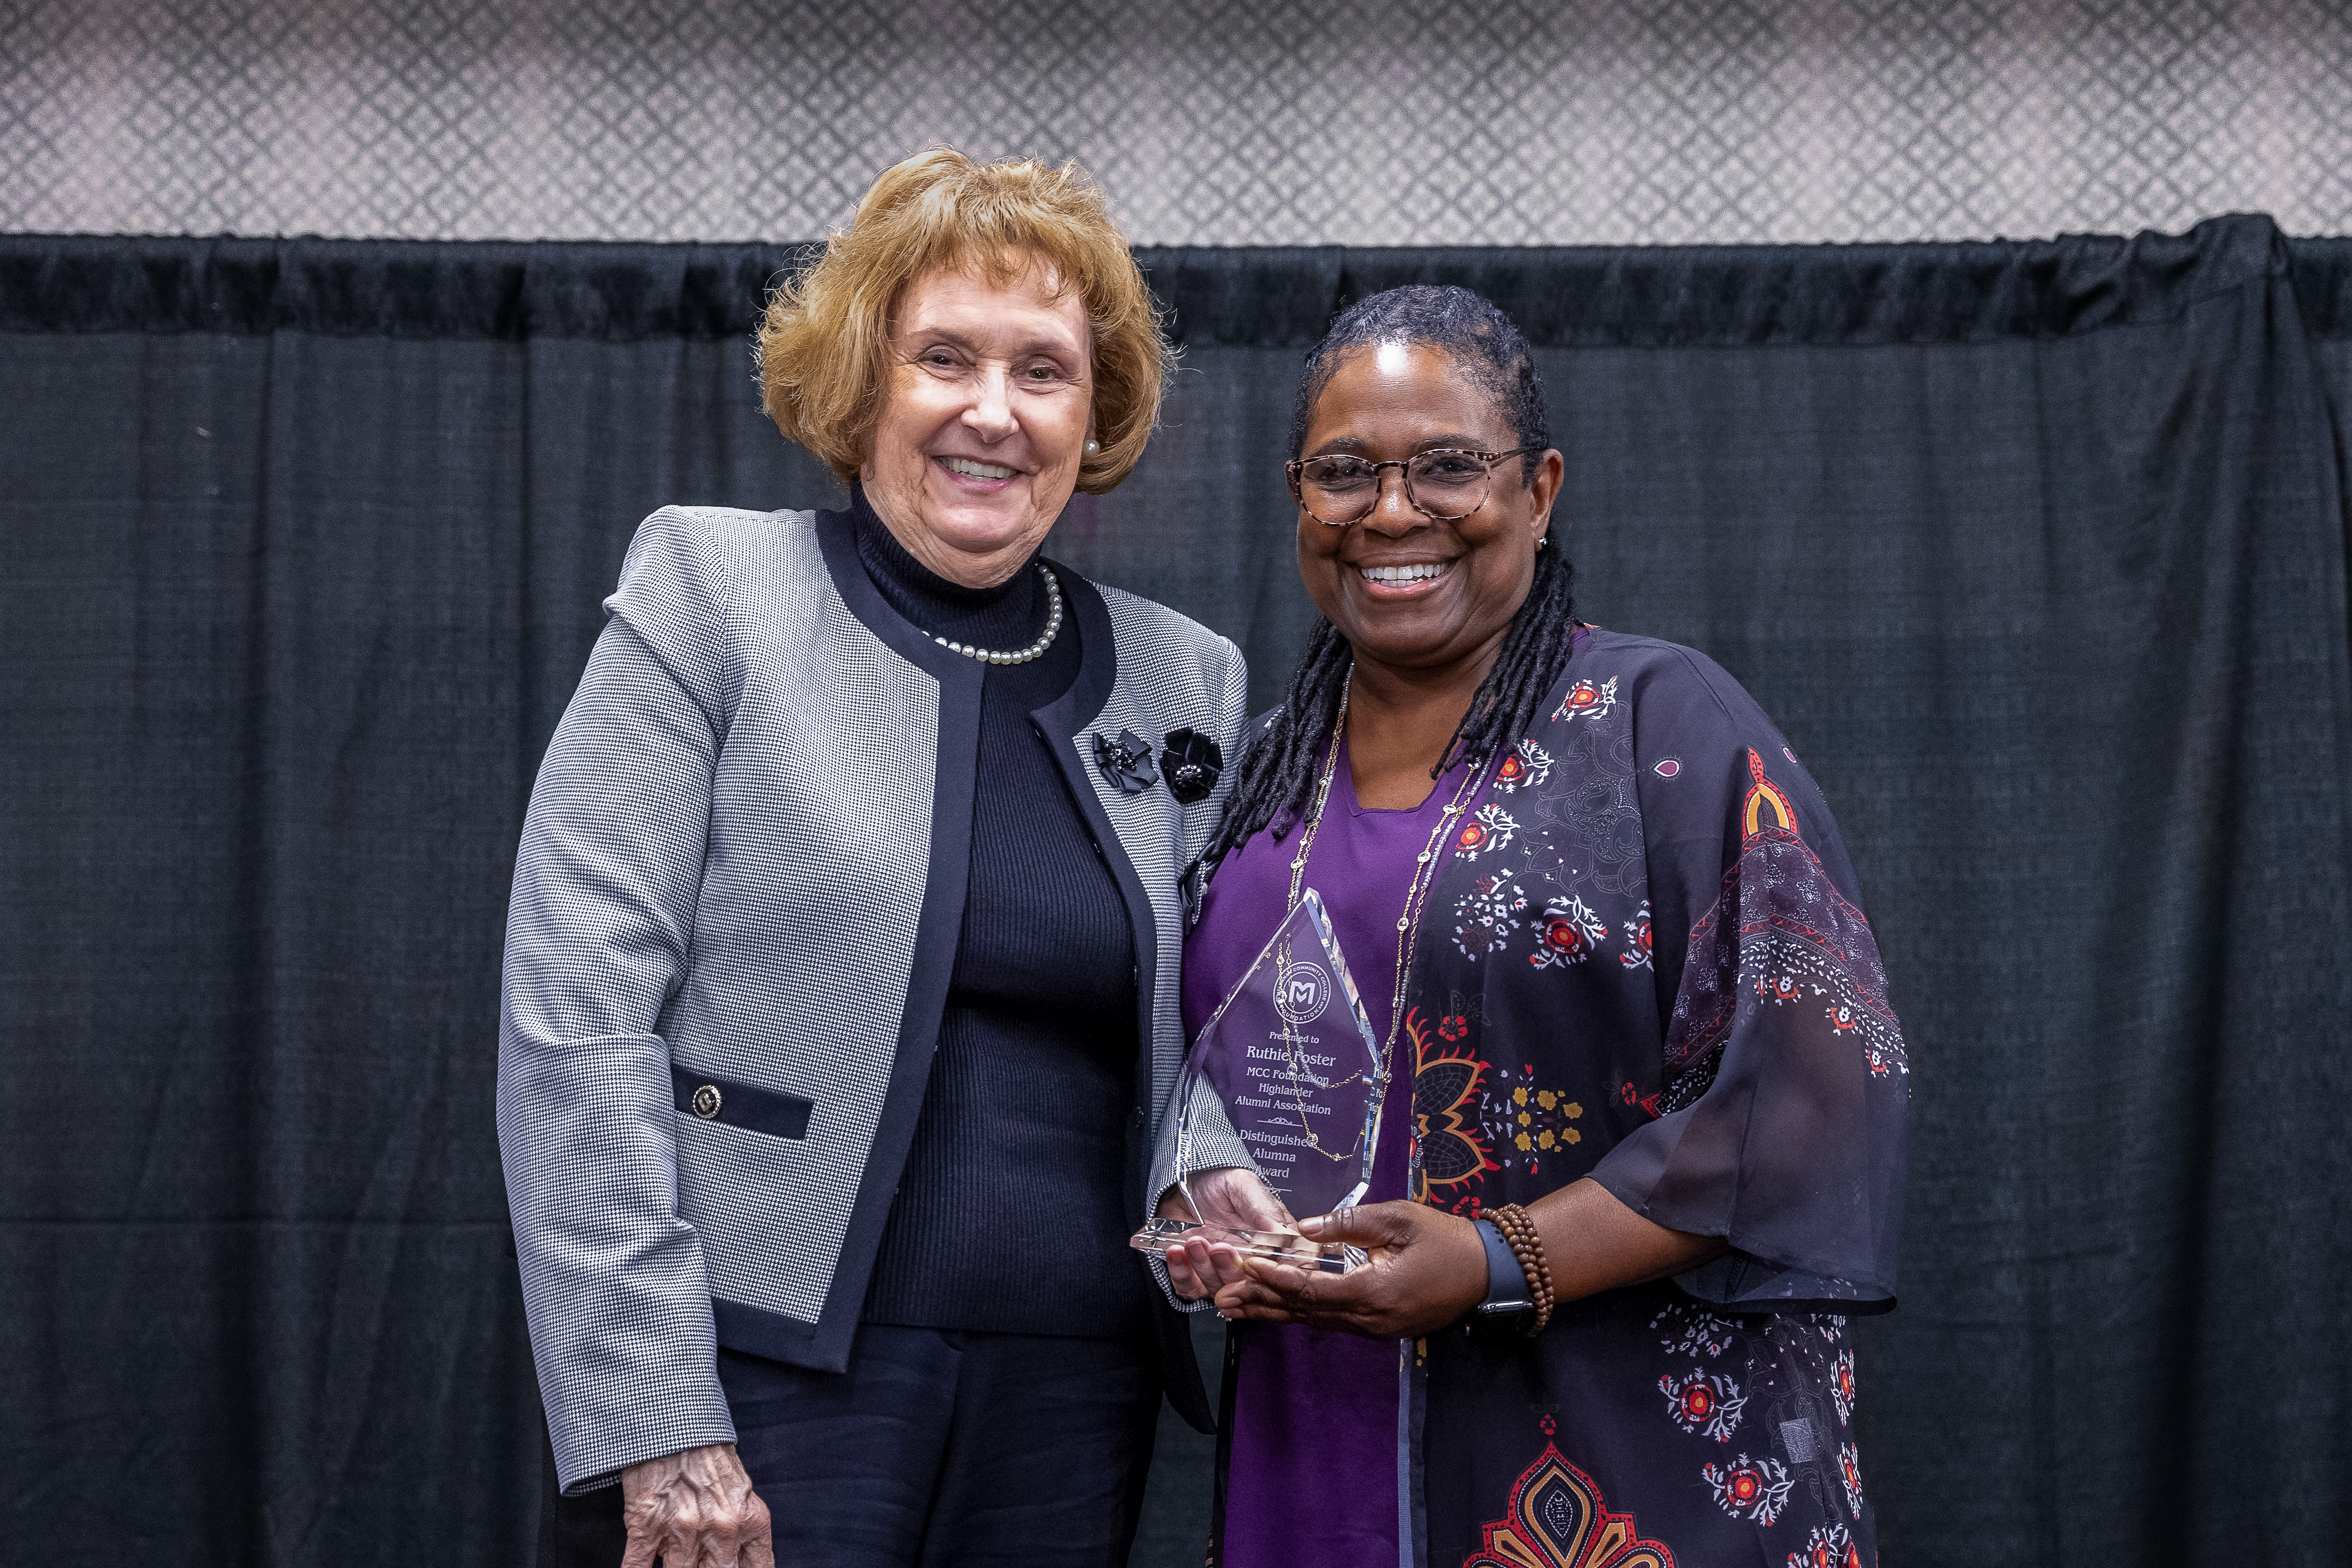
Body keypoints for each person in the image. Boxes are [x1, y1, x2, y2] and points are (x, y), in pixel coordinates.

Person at [500, 149, 1246, 1568]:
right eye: (944, 358)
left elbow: (1208, 1025)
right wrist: (657, 1413)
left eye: (1044, 370)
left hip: (1075, 1398)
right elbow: (573, 1024)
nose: (993, 411)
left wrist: (1208, 1183)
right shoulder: (712, 596)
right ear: (861, 383)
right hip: (757, 1377)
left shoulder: (1183, 676)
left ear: (1096, 413)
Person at [1153, 286, 1908, 1567]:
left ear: (1540, 488)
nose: (1391, 511)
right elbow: (1188, 1050)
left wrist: (1501, 1260)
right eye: (1344, 472)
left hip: (1618, 1451)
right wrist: (1201, 1189)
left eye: (1448, 465)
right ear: (1297, 496)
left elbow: (1813, 1090)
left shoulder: (1659, 726)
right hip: (1311, 1432)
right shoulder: (1260, 772)